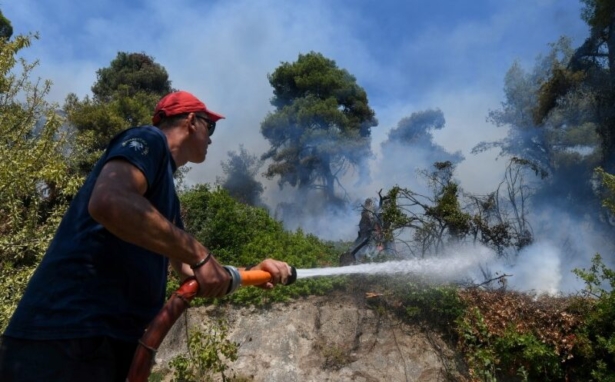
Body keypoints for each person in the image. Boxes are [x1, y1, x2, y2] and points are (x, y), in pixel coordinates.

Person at [0, 90, 293, 382]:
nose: (212, 137)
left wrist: (252, 274)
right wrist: (199, 253)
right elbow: (110, 200)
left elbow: (192, 271)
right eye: (210, 125)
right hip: (65, 336)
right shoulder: (149, 139)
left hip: (108, 345)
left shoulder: (168, 200)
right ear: (191, 121)